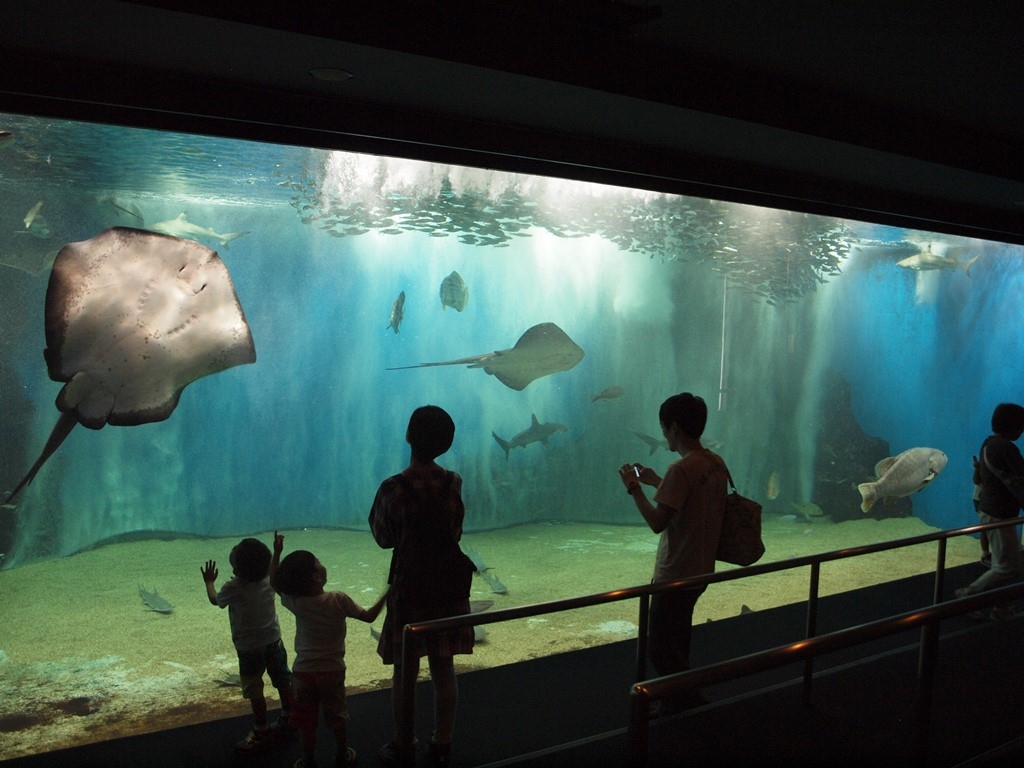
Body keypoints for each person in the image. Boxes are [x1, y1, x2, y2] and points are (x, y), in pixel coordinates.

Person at [369, 405, 475, 768]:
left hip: (409, 589)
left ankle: (404, 742)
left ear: (408, 436)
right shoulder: (453, 482)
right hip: (448, 588)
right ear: (447, 442)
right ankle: (442, 741)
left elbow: (383, 538)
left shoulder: (392, 488)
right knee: (443, 668)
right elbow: (456, 530)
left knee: (405, 671)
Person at [617, 392, 727, 708]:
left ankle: (692, 706)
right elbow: (692, 499)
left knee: (659, 650)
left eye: (664, 428)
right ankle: (677, 705)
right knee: (678, 643)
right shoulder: (714, 463)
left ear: (675, 427)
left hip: (675, 576)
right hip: (701, 571)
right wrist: (656, 481)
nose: (664, 434)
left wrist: (633, 488)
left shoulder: (681, 469)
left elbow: (657, 522)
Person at [271, 532, 388, 768]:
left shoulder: (296, 602)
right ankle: (342, 754)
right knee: (337, 715)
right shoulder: (338, 600)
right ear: (316, 576)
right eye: (319, 562)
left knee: (306, 719)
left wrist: (277, 552)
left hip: (303, 673)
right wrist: (388, 592)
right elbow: (369, 616)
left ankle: (308, 759)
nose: (322, 564)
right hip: (332, 672)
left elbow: (273, 581)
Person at [201, 537, 294, 754]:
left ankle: (261, 730)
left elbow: (216, 601)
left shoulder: (233, 586)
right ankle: (290, 717)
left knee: (255, 689)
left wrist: (209, 582)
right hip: (274, 642)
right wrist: (277, 551)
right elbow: (275, 568)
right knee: (282, 680)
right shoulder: (271, 579)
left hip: (248, 648)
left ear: (237, 568)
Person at [956, 402, 1024, 619]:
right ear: (1012, 425)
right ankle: (968, 595)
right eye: (1021, 425)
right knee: (1009, 567)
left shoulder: (988, 444)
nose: (1022, 430)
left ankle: (1001, 607)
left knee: (1002, 562)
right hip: (999, 514)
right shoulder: (1006, 447)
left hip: (989, 510)